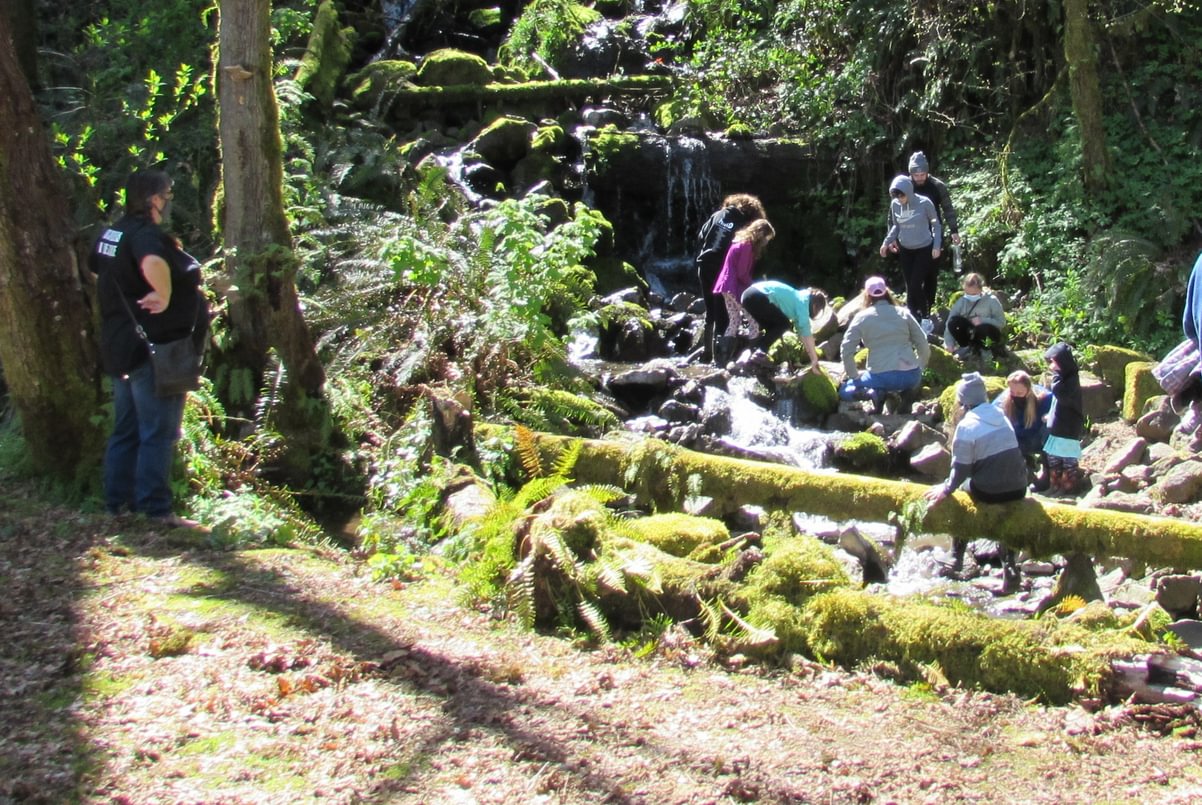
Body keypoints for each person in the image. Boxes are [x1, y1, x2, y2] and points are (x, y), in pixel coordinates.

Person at [89, 169, 208, 528]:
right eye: (167, 194)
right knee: (158, 430)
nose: (169, 200)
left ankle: (117, 504)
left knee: (126, 428)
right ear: (153, 199)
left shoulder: (113, 232)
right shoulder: (145, 236)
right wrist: (165, 293)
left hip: (121, 344)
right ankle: (156, 510)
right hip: (153, 350)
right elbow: (152, 261)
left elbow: (97, 269)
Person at [924, 372, 1027, 592]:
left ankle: (956, 556)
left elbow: (960, 470)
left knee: (960, 494)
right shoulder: (1001, 415)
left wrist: (945, 490)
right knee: (1005, 515)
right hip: (1019, 487)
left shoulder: (967, 426)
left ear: (963, 403)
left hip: (990, 490)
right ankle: (1010, 569)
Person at [839, 276, 930, 413]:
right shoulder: (903, 313)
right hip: (911, 375)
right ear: (886, 292)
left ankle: (872, 394)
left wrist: (855, 376)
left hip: (881, 376)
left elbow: (846, 349)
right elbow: (922, 342)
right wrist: (920, 367)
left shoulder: (861, 317)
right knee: (905, 377)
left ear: (867, 295)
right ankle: (904, 394)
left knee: (845, 390)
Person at [695, 194, 767, 362]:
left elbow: (701, 236)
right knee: (723, 315)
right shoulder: (745, 226)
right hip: (722, 271)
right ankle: (719, 360)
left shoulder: (717, 215)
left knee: (710, 313)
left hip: (704, 264)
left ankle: (707, 354)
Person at [711, 219, 775, 363]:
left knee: (734, 321)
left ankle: (722, 360)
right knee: (753, 322)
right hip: (734, 287)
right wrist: (756, 288)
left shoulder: (739, 241)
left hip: (725, 286)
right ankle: (754, 360)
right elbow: (742, 274)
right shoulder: (746, 246)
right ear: (760, 234)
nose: (766, 243)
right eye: (766, 238)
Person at [880, 175, 941, 324]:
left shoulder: (924, 203)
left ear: (908, 191)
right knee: (910, 286)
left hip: (924, 248)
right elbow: (896, 226)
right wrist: (886, 242)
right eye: (896, 196)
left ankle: (926, 317)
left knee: (915, 284)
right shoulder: (895, 205)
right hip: (906, 249)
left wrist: (937, 245)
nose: (900, 199)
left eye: (902, 195)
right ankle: (913, 316)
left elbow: (936, 225)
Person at [1031, 342, 1086, 495]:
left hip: (1068, 427)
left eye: (1054, 362)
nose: (1052, 366)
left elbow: (1061, 395)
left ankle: (1067, 489)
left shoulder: (1071, 379)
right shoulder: (1061, 377)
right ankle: (1054, 486)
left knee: (1068, 461)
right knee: (1053, 459)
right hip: (1057, 426)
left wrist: (1055, 377)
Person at [740, 280, 827, 370]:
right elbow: (807, 334)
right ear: (815, 305)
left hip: (747, 296)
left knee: (772, 328)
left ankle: (751, 355)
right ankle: (760, 353)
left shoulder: (798, 299)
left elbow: (802, 335)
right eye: (817, 310)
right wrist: (814, 359)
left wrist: (811, 356)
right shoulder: (803, 302)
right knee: (784, 324)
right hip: (757, 296)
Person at [943, 272, 1006, 359]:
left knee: (983, 328)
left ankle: (986, 351)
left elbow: (1001, 322)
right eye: (967, 293)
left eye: (973, 294)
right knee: (954, 321)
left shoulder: (992, 300)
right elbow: (949, 323)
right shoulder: (962, 301)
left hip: (988, 334)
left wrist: (982, 320)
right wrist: (948, 343)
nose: (970, 297)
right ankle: (967, 348)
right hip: (970, 333)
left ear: (980, 290)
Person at [993, 370, 1051, 462]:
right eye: (1012, 392)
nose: (1015, 396)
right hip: (1016, 442)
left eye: (1019, 393)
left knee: (1050, 425)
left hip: (1038, 439)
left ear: (1028, 390)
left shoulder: (1044, 399)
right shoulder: (1003, 401)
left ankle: (1048, 466)